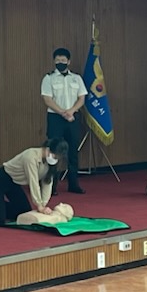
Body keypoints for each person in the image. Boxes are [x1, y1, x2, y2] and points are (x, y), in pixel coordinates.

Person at [0, 138, 68, 226]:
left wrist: (44, 204)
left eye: (57, 158)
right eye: (54, 156)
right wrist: (39, 206)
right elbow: (33, 182)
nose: (54, 159)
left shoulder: (51, 164)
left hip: (14, 183)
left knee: (24, 213)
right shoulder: (31, 156)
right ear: (47, 149)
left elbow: (47, 183)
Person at [40, 47, 87, 194]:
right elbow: (47, 99)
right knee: (53, 152)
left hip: (73, 117)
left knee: (73, 151)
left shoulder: (76, 78)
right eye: (58, 60)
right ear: (54, 61)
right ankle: (51, 186)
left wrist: (71, 111)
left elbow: (81, 98)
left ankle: (73, 184)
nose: (60, 62)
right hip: (56, 118)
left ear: (68, 61)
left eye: (63, 60)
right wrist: (62, 112)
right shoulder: (49, 78)